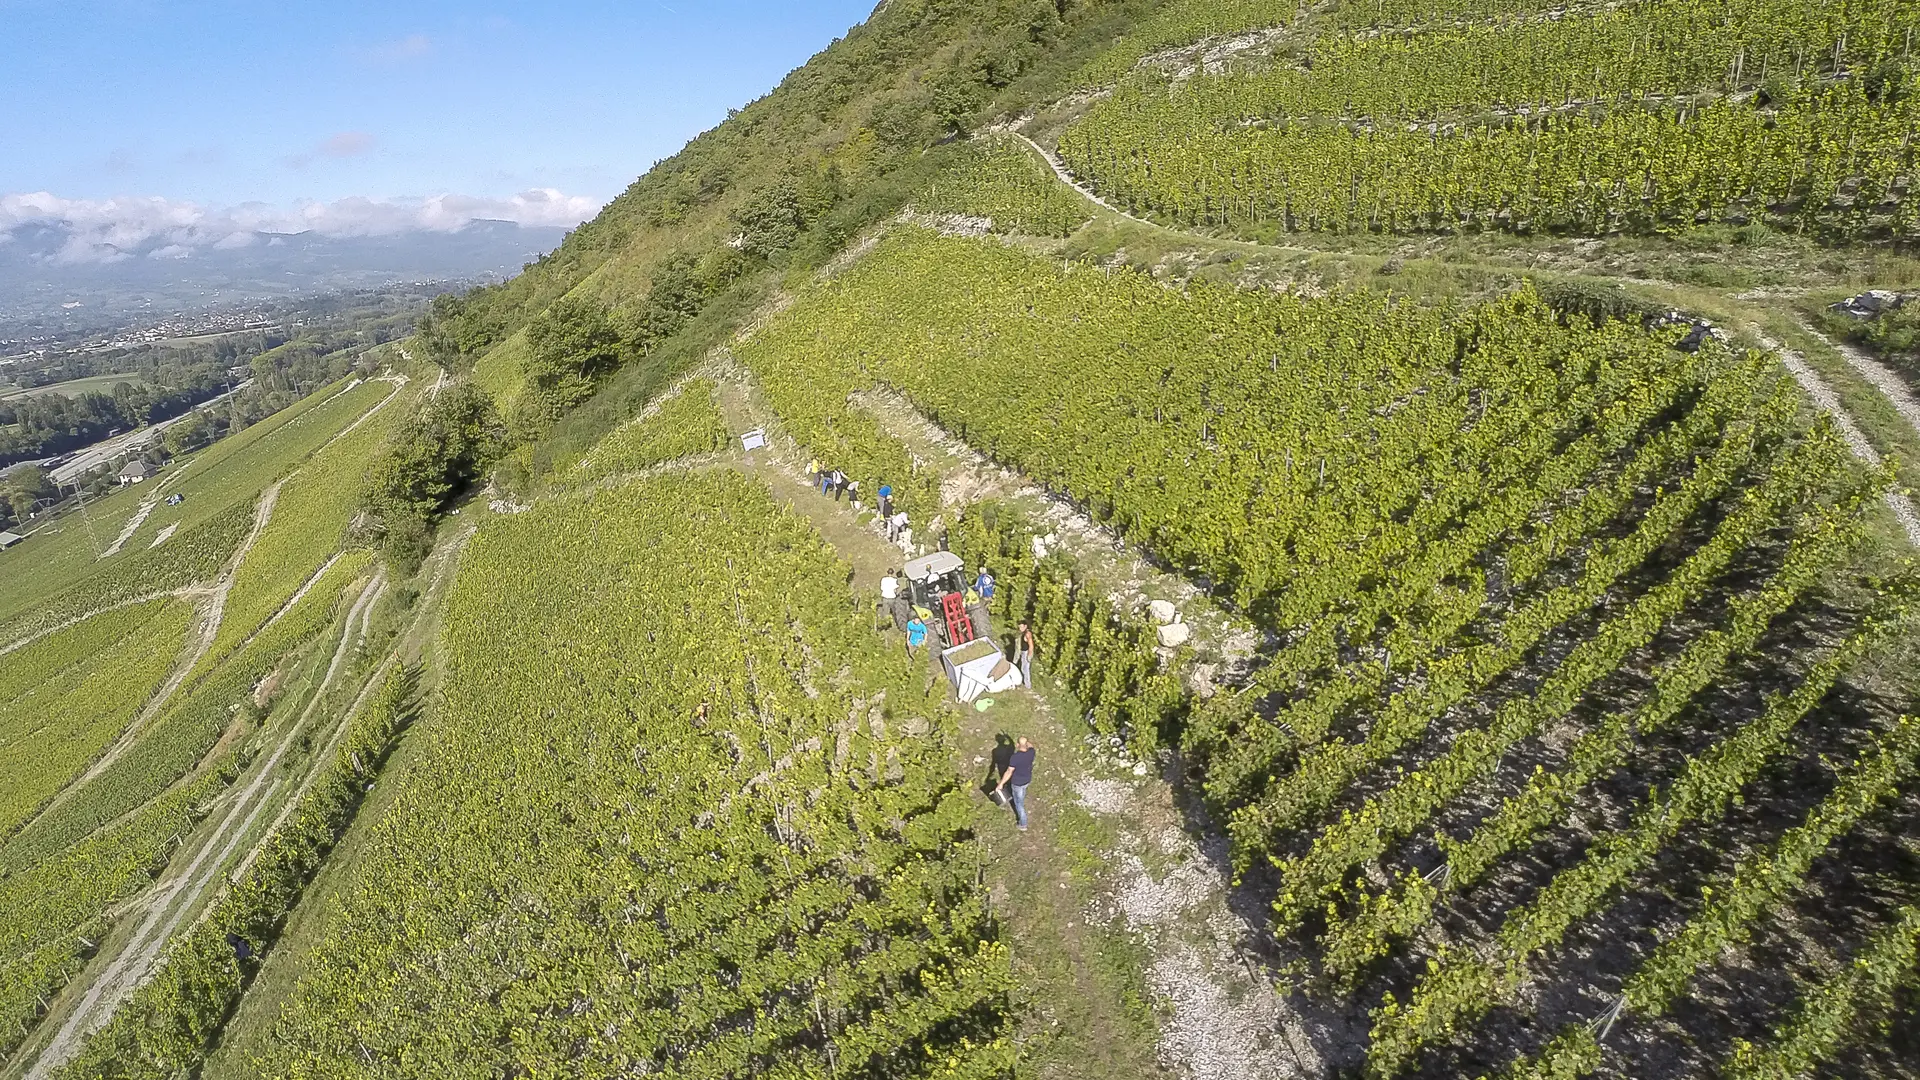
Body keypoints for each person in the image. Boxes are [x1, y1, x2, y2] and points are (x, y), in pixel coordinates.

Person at [995, 736, 1036, 830]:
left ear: (1017, 745)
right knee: (1022, 793)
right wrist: (1025, 742)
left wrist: (1000, 784)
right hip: (1027, 780)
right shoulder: (1031, 752)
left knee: (1019, 804)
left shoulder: (1015, 757)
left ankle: (1023, 824)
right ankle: (1022, 797)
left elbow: (1009, 771)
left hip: (1017, 782)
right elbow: (1031, 745)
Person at [1014, 622, 1036, 687]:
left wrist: (1029, 656)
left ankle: (1027, 685)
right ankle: (1025, 682)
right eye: (1019, 627)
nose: (1020, 628)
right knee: (1023, 668)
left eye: (1021, 627)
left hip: (1026, 653)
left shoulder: (1027, 634)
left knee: (1025, 669)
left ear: (1025, 626)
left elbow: (1031, 645)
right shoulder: (1023, 633)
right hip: (1023, 652)